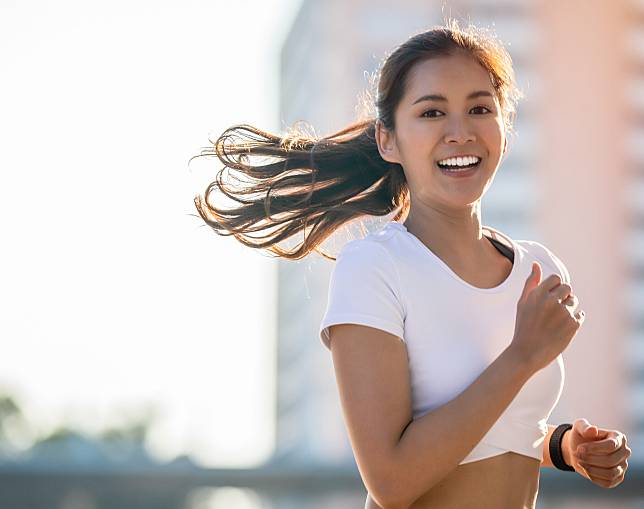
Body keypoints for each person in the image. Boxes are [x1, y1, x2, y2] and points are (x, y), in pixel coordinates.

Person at [191, 18, 631, 509]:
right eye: (432, 113)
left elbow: (497, 429)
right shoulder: (374, 268)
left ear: (504, 130)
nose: (460, 132)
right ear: (388, 140)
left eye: (479, 109)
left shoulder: (539, 268)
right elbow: (392, 479)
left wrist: (563, 446)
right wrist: (522, 355)